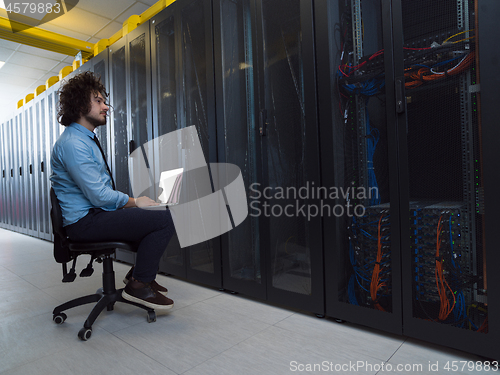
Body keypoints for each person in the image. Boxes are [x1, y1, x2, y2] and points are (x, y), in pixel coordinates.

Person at [50, 71, 175, 312]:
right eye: (98, 101)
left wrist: (136, 204)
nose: (106, 106)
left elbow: (102, 193)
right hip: (84, 222)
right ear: (79, 104)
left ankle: (138, 275)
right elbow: (99, 196)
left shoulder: (85, 139)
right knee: (163, 219)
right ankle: (138, 285)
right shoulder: (74, 144)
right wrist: (136, 201)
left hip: (94, 214)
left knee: (155, 212)